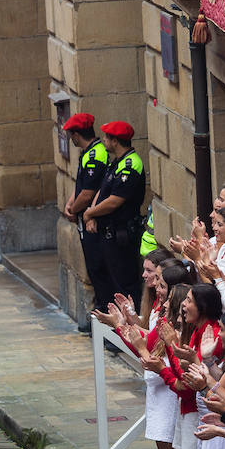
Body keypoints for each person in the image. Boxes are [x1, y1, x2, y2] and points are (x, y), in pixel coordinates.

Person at [81, 120, 146, 308]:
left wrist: (89, 213)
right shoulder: (117, 162)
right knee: (111, 282)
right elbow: (102, 191)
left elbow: (115, 201)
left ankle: (128, 330)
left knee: (124, 284)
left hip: (122, 235)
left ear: (115, 141)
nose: (103, 140)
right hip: (109, 233)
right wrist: (91, 214)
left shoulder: (131, 165)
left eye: (107, 137)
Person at [59, 113, 110, 323]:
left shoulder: (95, 156)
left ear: (77, 135)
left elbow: (88, 193)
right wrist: (71, 204)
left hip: (94, 223)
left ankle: (103, 316)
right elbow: (80, 187)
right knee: (93, 269)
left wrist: (74, 209)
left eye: (71, 134)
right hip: (85, 219)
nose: (71, 138)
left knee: (99, 269)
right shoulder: (89, 153)